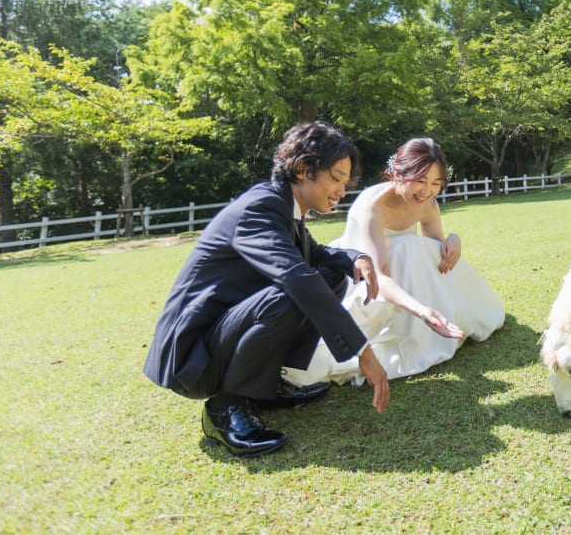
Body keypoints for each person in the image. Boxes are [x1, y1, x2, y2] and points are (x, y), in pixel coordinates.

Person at [143, 123, 390, 458]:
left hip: (220, 336)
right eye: (336, 177)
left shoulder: (282, 206)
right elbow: (296, 276)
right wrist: (362, 350)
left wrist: (354, 258)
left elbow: (314, 255)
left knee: (330, 275)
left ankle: (264, 386)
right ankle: (224, 409)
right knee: (293, 291)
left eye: (346, 181)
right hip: (192, 358)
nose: (342, 189)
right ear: (304, 169)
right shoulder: (260, 208)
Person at [283, 137, 505, 385]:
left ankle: (436, 325)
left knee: (413, 246)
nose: (427, 191)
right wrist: (422, 311)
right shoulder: (373, 207)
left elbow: (434, 251)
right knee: (405, 247)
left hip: (406, 270)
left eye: (436, 183)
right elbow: (380, 274)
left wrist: (453, 240)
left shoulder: (427, 204)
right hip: (364, 274)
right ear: (396, 174)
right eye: (420, 181)